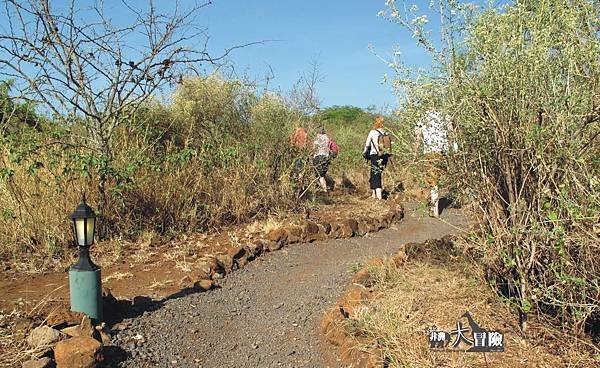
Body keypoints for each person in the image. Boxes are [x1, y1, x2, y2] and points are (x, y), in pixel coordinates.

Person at [415, 110, 451, 217]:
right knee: (436, 179)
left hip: (429, 152)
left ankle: (435, 209)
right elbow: (450, 130)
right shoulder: (444, 114)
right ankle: (435, 207)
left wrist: (415, 152)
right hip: (441, 151)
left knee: (433, 180)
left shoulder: (422, 116)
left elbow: (418, 135)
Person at [363, 116, 389, 200]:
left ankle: (379, 197)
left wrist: (364, 152)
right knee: (375, 173)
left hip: (375, 155)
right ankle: (373, 194)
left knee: (376, 175)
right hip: (385, 156)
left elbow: (367, 144)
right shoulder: (385, 132)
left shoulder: (373, 132)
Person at [313, 128, 331, 192]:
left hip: (318, 157)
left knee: (319, 175)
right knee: (322, 175)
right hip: (326, 157)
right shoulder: (327, 138)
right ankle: (323, 189)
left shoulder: (318, 138)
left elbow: (314, 147)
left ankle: (323, 190)